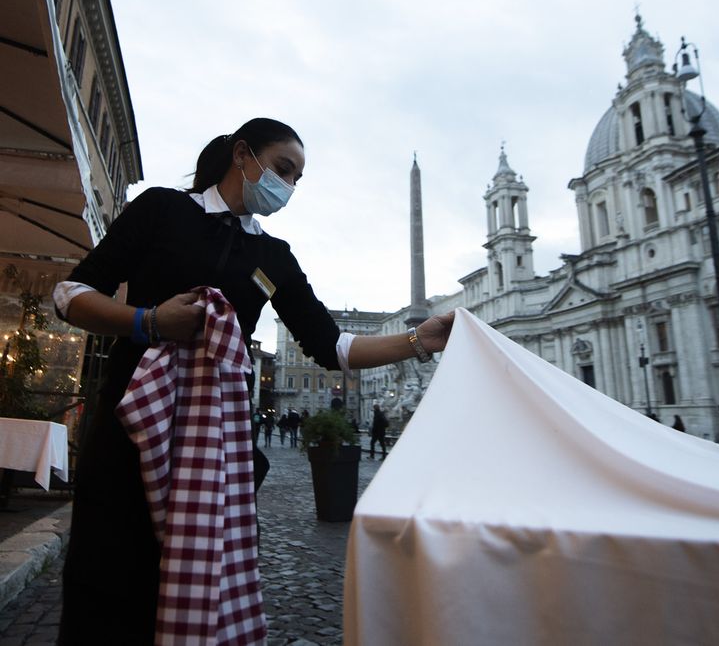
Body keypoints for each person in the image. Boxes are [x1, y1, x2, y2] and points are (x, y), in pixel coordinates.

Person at [52, 118, 454, 643]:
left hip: (216, 440)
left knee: (196, 567)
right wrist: (146, 321)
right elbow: (72, 293)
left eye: (297, 180)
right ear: (243, 155)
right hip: (131, 421)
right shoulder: (161, 209)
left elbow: (333, 346)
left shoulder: (273, 258)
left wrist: (420, 340)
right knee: (109, 565)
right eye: (282, 169)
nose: (287, 187)